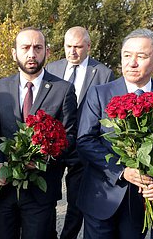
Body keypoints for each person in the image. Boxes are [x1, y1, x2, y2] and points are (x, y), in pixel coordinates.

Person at [77, 28, 153, 238]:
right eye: (127, 55)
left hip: (141, 204)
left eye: (141, 56)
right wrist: (122, 171)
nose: (132, 63)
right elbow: (85, 140)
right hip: (101, 198)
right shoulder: (99, 93)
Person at [0, 27, 77, 239]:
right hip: (4, 189)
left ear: (46, 52)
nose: (31, 54)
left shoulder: (63, 89)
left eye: (37, 48)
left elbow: (69, 136)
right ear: (14, 53)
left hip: (41, 191)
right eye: (25, 48)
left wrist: (45, 157)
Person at [45, 26, 114, 239]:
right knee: (47, 196)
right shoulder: (52, 68)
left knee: (76, 200)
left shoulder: (103, 73)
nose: (72, 52)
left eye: (77, 47)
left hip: (83, 147)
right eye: (68, 46)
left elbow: (107, 113)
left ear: (89, 47)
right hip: (55, 144)